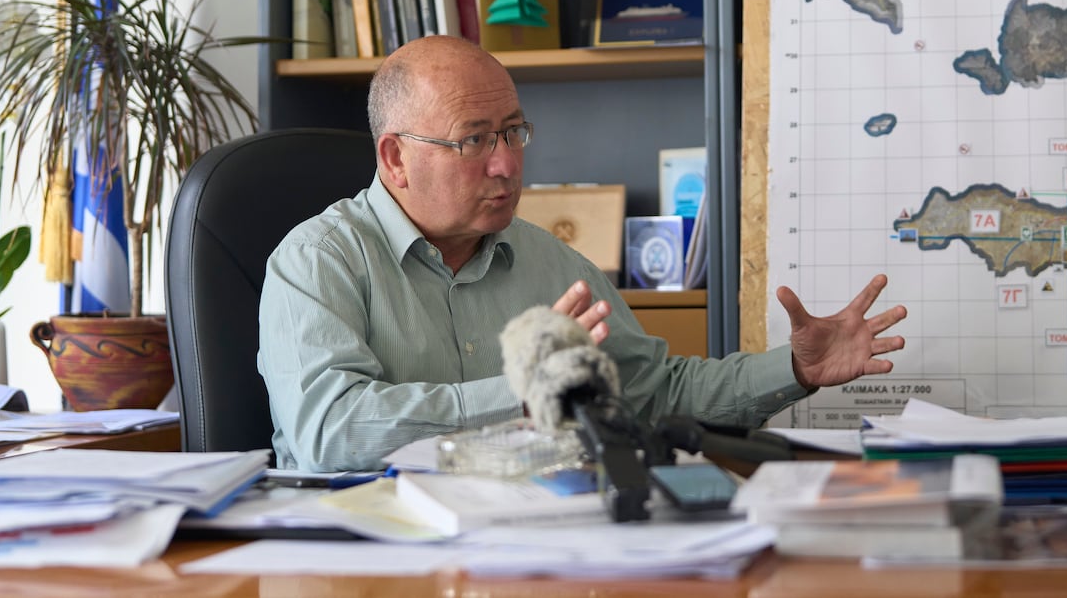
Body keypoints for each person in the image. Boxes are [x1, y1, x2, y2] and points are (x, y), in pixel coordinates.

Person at [259, 35, 907, 472]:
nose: (508, 163)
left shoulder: (552, 263)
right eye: (475, 140)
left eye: (514, 131)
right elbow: (330, 433)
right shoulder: (316, 262)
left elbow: (655, 394)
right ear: (397, 157)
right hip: (364, 561)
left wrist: (793, 367)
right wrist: (521, 391)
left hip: (527, 550)